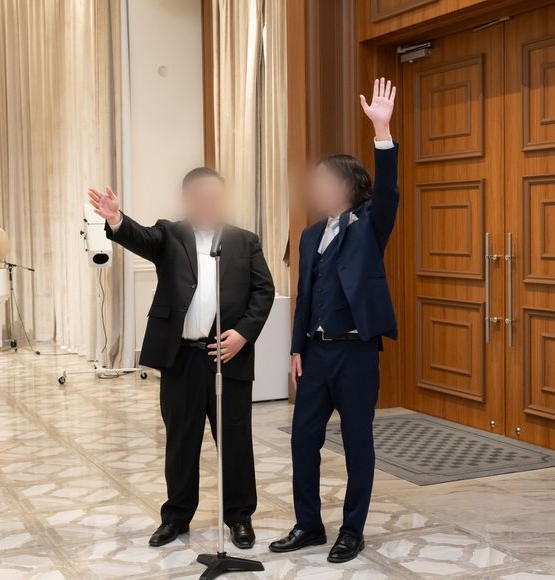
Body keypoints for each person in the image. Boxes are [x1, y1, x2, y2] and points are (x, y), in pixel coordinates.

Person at [88, 167, 275, 550]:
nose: (209, 203)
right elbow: (140, 238)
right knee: (181, 442)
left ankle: (239, 517)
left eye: (216, 197)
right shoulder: (170, 234)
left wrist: (243, 334)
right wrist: (116, 219)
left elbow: (264, 291)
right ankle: (176, 516)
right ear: (188, 200)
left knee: (235, 442)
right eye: (201, 197)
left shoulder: (244, 240)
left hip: (228, 357)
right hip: (182, 359)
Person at [269, 78, 399, 563]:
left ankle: (352, 530)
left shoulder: (370, 224)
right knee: (303, 438)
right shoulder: (309, 234)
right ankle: (308, 524)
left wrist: (382, 131)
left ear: (347, 185)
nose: (316, 187)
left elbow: (388, 190)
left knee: (357, 442)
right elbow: (306, 296)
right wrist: (296, 348)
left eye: (324, 180)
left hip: (356, 352)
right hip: (316, 353)